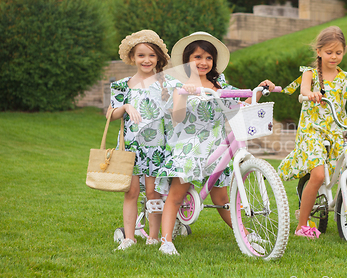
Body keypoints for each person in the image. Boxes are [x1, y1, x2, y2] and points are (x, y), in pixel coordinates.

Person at [156, 32, 275, 255]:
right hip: (189, 145)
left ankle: (246, 235)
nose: (203, 62)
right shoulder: (180, 83)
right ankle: (166, 241)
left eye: (208, 58)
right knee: (177, 193)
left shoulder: (219, 84)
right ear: (187, 59)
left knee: (221, 198)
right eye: (197, 57)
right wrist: (184, 93)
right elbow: (177, 116)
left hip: (216, 145)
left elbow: (236, 109)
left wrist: (258, 91)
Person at [278, 26, 347, 239]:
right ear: (319, 52)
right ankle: (302, 225)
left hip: (339, 132)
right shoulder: (310, 74)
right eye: (329, 52)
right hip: (312, 131)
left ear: (344, 51)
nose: (334, 57)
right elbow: (304, 91)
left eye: (338, 52)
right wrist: (312, 95)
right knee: (317, 175)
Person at [108, 30, 170, 250]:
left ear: (158, 59)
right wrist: (125, 106)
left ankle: (154, 236)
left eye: (152, 55)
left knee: (154, 192)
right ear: (133, 57)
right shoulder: (123, 85)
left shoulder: (165, 83)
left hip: (156, 146)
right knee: (131, 191)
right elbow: (110, 114)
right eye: (141, 55)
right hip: (131, 147)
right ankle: (129, 237)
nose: (146, 60)